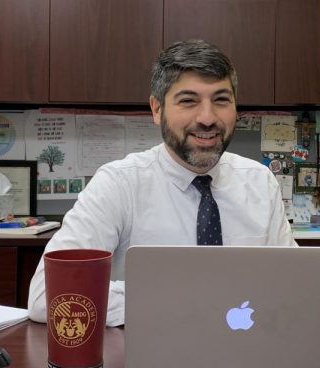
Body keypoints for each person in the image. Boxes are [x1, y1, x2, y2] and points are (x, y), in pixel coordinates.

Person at [27, 40, 295, 323]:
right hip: (148, 356)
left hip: (246, 351)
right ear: (157, 109)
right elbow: (49, 297)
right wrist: (182, 302)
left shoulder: (260, 182)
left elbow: (295, 284)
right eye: (188, 101)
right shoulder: (119, 184)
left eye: (221, 100)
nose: (207, 118)